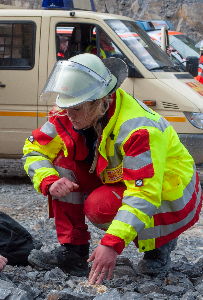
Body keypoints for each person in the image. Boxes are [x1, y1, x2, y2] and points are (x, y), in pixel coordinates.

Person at [22, 53, 202, 285]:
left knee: (100, 208)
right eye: (66, 106)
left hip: (170, 193)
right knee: (61, 162)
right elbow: (35, 148)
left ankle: (160, 244)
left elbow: (145, 193)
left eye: (75, 108)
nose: (68, 114)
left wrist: (111, 244)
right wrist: (49, 180)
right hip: (124, 179)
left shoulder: (138, 128)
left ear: (99, 101)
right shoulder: (73, 112)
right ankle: (73, 251)